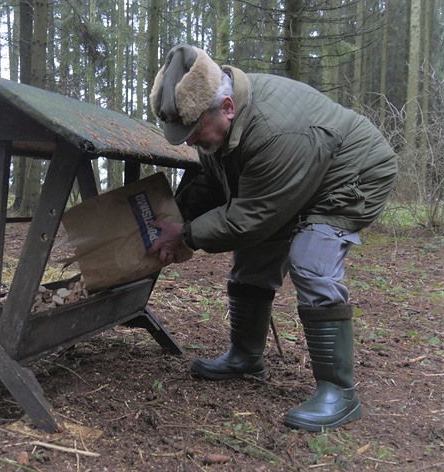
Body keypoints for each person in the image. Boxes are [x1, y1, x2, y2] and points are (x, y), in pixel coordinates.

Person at [147, 44, 397, 432]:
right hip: (296, 175)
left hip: (353, 175)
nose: (192, 142)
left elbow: (253, 216)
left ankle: (339, 392)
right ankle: (246, 356)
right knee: (252, 259)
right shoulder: (218, 123)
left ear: (227, 106)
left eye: (194, 133)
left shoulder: (277, 129)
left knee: (311, 259)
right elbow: (215, 182)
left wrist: (189, 235)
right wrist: (177, 216)